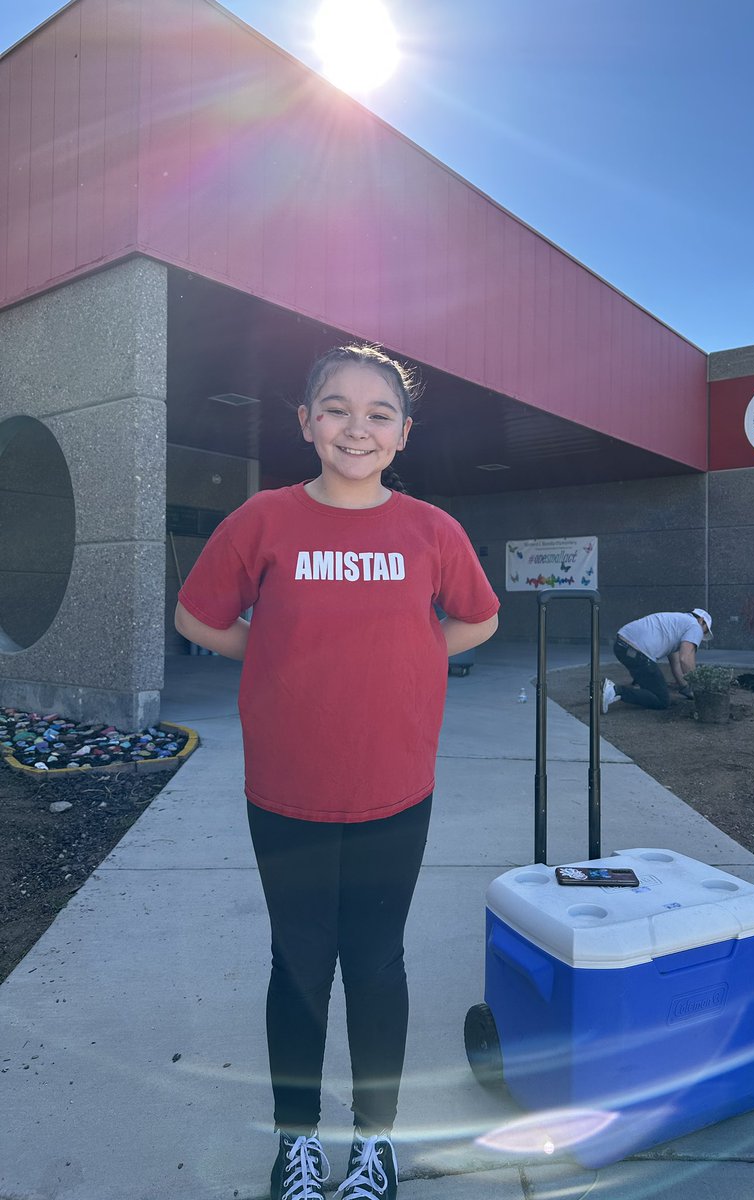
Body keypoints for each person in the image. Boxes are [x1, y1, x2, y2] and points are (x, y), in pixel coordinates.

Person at [174, 344, 500, 1200]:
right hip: (287, 793)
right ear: (306, 422)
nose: (357, 427)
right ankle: (296, 1145)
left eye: (378, 413)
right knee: (299, 964)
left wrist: (414, 656)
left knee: (377, 964)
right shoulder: (263, 520)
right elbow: (196, 616)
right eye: (336, 408)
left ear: (402, 436)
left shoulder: (432, 530)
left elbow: (479, 619)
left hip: (397, 788)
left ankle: (375, 1142)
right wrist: (274, 654)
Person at [601, 608, 712, 712]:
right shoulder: (695, 626)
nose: (701, 636)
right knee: (661, 701)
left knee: (651, 687)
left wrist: (686, 688)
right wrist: (698, 686)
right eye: (705, 631)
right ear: (701, 620)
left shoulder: (676, 624)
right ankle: (614, 691)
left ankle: (612, 689)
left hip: (621, 646)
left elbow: (677, 663)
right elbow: (685, 659)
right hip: (638, 651)